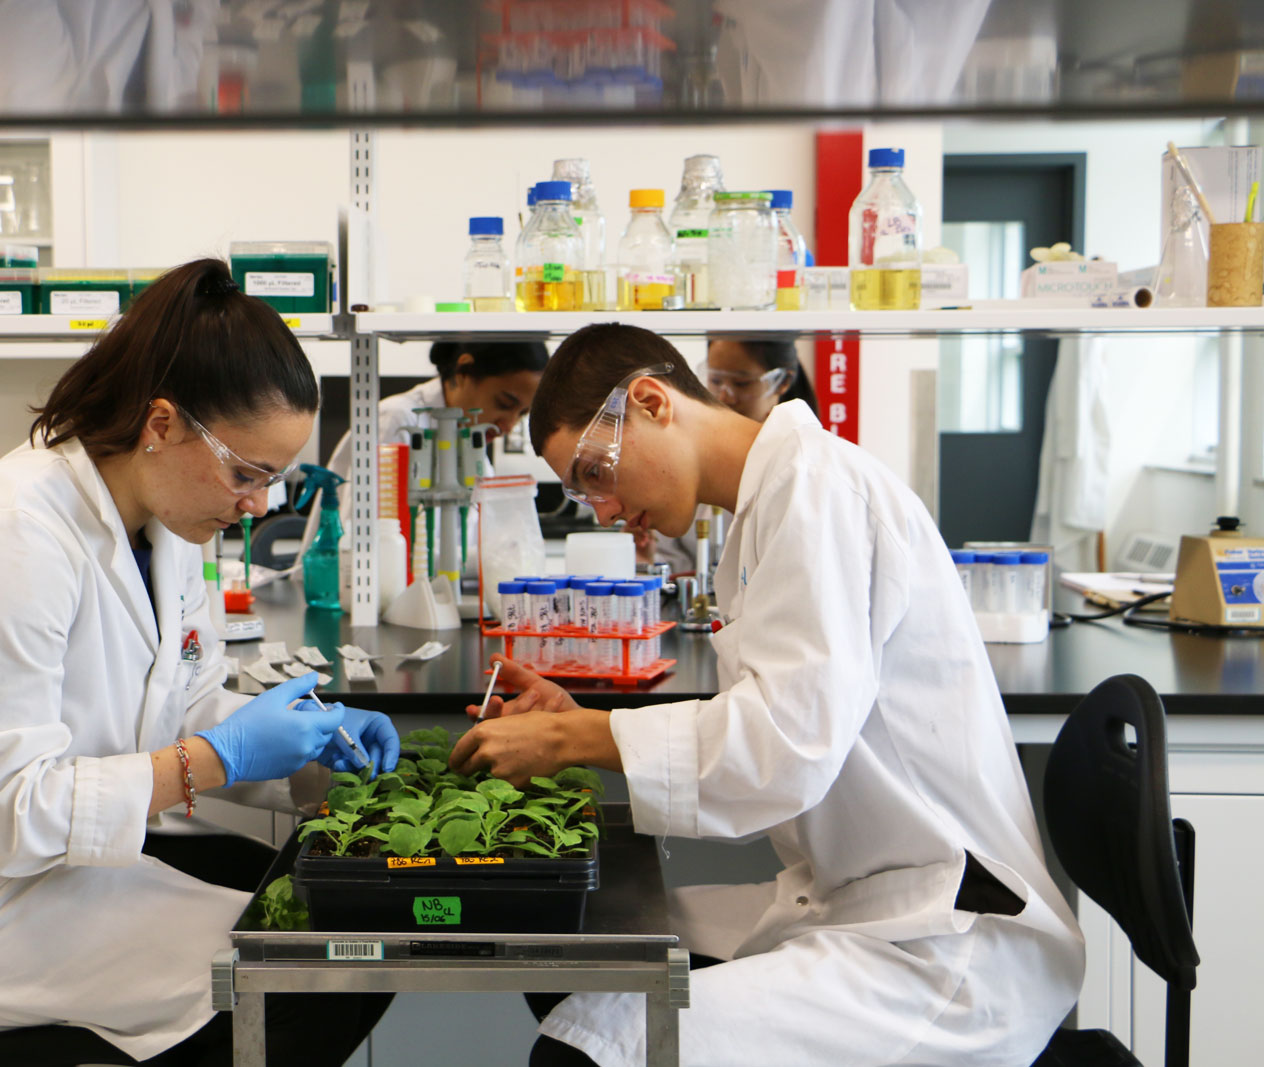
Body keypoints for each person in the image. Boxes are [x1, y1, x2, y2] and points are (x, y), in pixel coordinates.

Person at [0, 259, 399, 1067]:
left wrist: (307, 748)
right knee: (302, 976)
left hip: (51, 869)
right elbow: (11, 815)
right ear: (161, 423)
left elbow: (179, 708)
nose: (257, 505)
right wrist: (214, 759)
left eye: (274, 479)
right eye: (246, 472)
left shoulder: (166, 528)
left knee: (332, 928)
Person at [451, 323, 1084, 1067]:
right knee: (581, 956)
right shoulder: (771, 507)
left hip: (945, 939)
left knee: (589, 1050)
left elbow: (787, 746)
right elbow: (775, 722)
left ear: (651, 402)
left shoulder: (820, 493)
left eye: (595, 472)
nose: (604, 509)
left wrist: (575, 739)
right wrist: (582, 722)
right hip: (860, 897)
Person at [297, 340, 548, 565]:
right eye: (504, 404)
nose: (509, 425)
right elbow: (367, 539)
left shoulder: (471, 434)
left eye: (522, 413)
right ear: (464, 371)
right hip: (360, 592)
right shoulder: (398, 420)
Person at [642, 335, 819, 575]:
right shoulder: (689, 453)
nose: (725, 396)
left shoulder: (800, 468)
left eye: (742, 383)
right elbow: (671, 558)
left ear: (782, 381)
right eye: (715, 380)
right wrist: (647, 555)